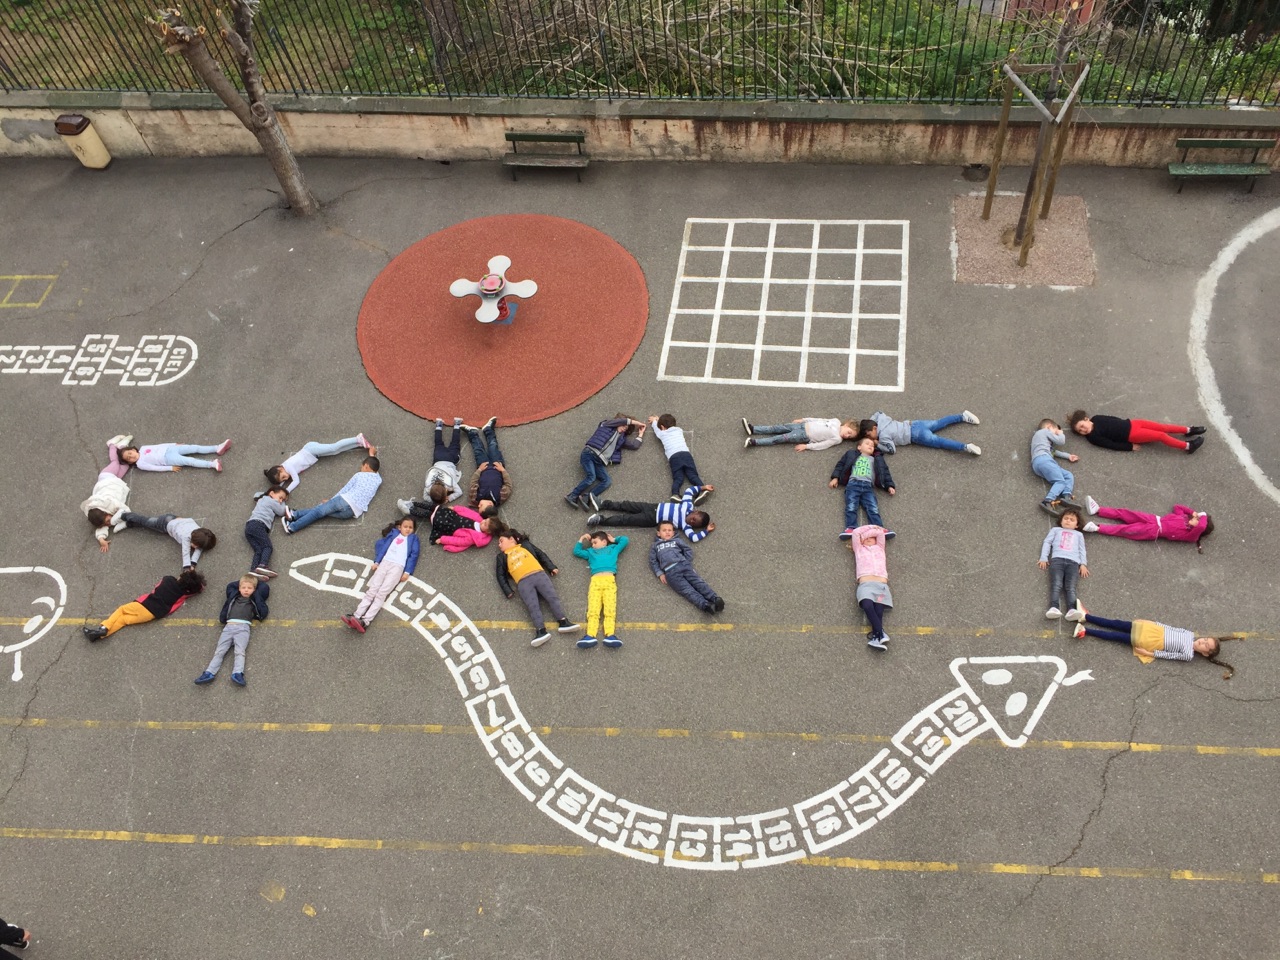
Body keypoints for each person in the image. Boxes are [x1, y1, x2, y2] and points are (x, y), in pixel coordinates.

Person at [1073, 611, 1236, 677]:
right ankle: (1087, 617)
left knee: (1116, 636)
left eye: (1205, 646)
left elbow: (1168, 655)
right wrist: (1151, 622)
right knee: (1117, 623)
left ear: (1205, 653)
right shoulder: (1190, 634)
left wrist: (1149, 653)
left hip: (1152, 642)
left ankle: (1086, 631)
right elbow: (1170, 627)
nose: (1202, 642)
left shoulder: (1188, 655)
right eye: (1205, 640)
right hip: (1154, 631)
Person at [495, 530, 581, 646]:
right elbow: (500, 575)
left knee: (552, 598)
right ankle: (541, 631)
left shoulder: (525, 545)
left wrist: (551, 566)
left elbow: (540, 554)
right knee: (533, 606)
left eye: (501, 541)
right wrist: (507, 590)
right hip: (523, 582)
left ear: (511, 539)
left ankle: (563, 622)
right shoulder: (501, 557)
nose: (499, 544)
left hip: (539, 575)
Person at [340, 518, 421, 633]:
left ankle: (366, 621)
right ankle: (356, 615)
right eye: (405, 526)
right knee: (372, 590)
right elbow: (384, 548)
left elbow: (414, 555)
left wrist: (407, 572)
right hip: (385, 563)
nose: (407, 529)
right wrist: (377, 561)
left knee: (381, 593)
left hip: (397, 567)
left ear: (413, 530)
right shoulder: (394, 534)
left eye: (410, 527)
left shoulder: (413, 539)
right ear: (400, 527)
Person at [82, 569, 206, 641]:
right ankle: (97, 636)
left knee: (121, 610)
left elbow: (156, 587)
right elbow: (199, 589)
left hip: (145, 604)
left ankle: (104, 627)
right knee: (124, 621)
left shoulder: (168, 579)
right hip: (153, 614)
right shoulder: (184, 593)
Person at [195, 575, 269, 687]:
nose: (246, 590)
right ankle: (209, 672)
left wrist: (254, 581)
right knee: (220, 651)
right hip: (228, 628)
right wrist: (244, 580)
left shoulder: (255, 599)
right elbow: (230, 585)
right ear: (239, 588)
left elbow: (264, 588)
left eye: (250, 588)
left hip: (243, 628)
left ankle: (238, 673)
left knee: (240, 652)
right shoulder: (233, 595)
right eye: (243, 587)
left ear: (254, 590)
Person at [565, 415, 646, 510]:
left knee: (607, 481)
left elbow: (634, 445)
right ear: (618, 423)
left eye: (626, 428)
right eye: (624, 426)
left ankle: (586, 497)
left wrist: (641, 434)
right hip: (590, 454)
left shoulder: (621, 438)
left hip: (600, 461)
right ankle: (572, 495)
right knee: (591, 477)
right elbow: (624, 420)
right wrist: (638, 423)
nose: (624, 428)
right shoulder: (607, 425)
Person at [282, 456, 381, 532]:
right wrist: (372, 456)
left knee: (318, 512)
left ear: (367, 466)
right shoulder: (378, 480)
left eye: (362, 467)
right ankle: (294, 515)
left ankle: (292, 527)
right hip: (352, 512)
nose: (361, 469)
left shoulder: (359, 475)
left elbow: (345, 489)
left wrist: (331, 500)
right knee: (321, 512)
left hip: (345, 501)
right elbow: (375, 469)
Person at [1082, 497, 1213, 552]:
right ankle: (1098, 510)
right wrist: (1194, 512)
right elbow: (1177, 506)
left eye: (1197, 519)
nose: (1196, 518)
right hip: (1153, 519)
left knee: (1125, 530)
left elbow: (1201, 526)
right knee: (1125, 513)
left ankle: (1097, 528)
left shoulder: (1191, 535)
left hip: (1152, 530)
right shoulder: (1184, 517)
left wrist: (1203, 515)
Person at [587, 486, 714, 542]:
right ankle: (602, 504)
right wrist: (703, 487)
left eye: (694, 524)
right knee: (626, 505)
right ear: (695, 512)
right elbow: (689, 491)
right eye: (694, 518)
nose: (691, 521)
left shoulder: (686, 527)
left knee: (625, 519)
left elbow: (694, 538)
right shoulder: (687, 505)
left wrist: (706, 531)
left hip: (651, 519)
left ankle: (601, 520)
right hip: (653, 506)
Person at [649, 521, 723, 613]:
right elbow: (653, 561)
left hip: (683, 565)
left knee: (698, 582)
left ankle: (714, 598)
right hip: (670, 573)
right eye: (664, 530)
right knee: (687, 590)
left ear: (673, 532)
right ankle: (705, 605)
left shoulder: (677, 540)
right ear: (658, 533)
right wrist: (660, 573)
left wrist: (686, 562)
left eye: (669, 530)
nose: (667, 532)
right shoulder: (655, 546)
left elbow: (688, 550)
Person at [831, 434, 896, 540]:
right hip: (853, 484)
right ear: (859, 447)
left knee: (873, 508)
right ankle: (851, 528)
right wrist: (835, 477)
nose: (871, 446)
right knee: (851, 506)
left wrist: (889, 485)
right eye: (867, 444)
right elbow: (841, 465)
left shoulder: (877, 459)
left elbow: (885, 472)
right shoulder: (851, 454)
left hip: (868, 487)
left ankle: (878, 528)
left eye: (872, 445)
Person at [263, 433, 375, 493]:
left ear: (280, 468)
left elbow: (296, 480)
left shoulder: (289, 467)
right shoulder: (284, 469)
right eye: (283, 479)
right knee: (336, 451)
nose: (286, 479)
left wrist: (286, 491)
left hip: (310, 450)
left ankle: (357, 439)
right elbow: (280, 481)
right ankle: (358, 444)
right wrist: (277, 488)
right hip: (313, 454)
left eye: (283, 476)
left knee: (333, 447)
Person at [572, 531, 629, 649]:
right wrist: (581, 538)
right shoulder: (590, 552)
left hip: (609, 581)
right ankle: (590, 635)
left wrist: (614, 539)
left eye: (595, 542)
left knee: (609, 609)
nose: (592, 545)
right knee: (593, 609)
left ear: (604, 542)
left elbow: (625, 540)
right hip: (595, 582)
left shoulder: (613, 548)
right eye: (592, 543)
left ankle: (610, 635)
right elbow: (576, 552)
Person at [1068, 410, 1205, 454]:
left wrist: (1124, 422)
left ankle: (1189, 429)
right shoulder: (1093, 437)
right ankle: (1188, 446)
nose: (1083, 430)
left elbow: (1112, 419)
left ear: (1086, 419)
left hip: (1133, 423)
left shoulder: (1096, 418)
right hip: (1132, 435)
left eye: (1081, 426)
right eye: (1080, 431)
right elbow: (1110, 444)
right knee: (1161, 436)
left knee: (1163, 427)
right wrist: (1129, 446)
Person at [115, 512, 216, 571]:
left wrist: (193, 563)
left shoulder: (199, 531)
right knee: (145, 521)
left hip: (173, 519)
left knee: (148, 525)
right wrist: (187, 568)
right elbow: (185, 553)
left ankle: (129, 524)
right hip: (164, 524)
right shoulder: (186, 537)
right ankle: (124, 515)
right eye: (195, 545)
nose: (196, 548)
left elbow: (199, 549)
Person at [82, 438, 133, 552]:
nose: (109, 523)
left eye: (107, 520)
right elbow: (101, 528)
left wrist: (117, 519)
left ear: (105, 512)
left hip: (107, 477)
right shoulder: (101, 518)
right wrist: (101, 539)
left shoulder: (110, 504)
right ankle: (120, 447)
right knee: (126, 465)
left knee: (115, 462)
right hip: (115, 481)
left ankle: (113, 445)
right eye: (106, 523)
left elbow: (125, 509)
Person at [1038, 507, 1089, 620]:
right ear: (1061, 521)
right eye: (1065, 518)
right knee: (1056, 584)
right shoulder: (1056, 530)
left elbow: (1082, 549)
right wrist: (1044, 557)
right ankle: (1053, 607)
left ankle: (1072, 609)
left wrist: (1083, 564)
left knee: (1070, 587)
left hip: (1073, 563)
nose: (1068, 521)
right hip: (1057, 560)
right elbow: (1047, 542)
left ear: (1077, 525)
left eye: (1072, 519)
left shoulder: (1079, 535)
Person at [848, 524, 893, 651]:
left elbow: (880, 534)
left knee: (879, 610)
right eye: (866, 538)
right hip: (866, 585)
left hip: (881, 587)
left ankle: (875, 638)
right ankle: (881, 632)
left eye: (871, 537)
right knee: (867, 605)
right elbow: (856, 532)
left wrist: (873, 530)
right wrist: (865, 534)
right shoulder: (859, 549)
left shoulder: (880, 547)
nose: (869, 538)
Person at [650, 414, 711, 502]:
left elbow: (656, 429)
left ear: (662, 427)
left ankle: (675, 494)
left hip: (674, 457)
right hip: (686, 454)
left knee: (678, 477)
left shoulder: (662, 434)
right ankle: (701, 489)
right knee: (692, 475)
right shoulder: (679, 430)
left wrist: (654, 421)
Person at [865, 410, 982, 455]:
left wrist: (877, 444)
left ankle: (965, 447)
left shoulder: (883, 436)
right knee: (938, 423)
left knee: (940, 442)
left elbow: (891, 450)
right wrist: (871, 421)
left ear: (874, 429)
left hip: (915, 436)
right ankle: (962, 416)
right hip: (915, 424)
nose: (871, 438)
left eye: (869, 435)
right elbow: (878, 412)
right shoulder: (881, 419)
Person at [463, 416, 513, 512]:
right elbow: (508, 485)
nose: (478, 506)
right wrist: (502, 470)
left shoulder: (475, 498)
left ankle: (472, 433)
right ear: (490, 504)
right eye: (481, 507)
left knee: (478, 449)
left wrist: (479, 470)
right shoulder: (500, 497)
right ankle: (488, 429)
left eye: (479, 508)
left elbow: (473, 483)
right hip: (497, 465)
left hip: (483, 466)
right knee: (493, 446)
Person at [1030, 418, 1080, 514]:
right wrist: (1060, 433)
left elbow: (1053, 451)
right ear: (1049, 427)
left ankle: (1066, 495)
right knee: (1059, 481)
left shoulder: (1040, 440)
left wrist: (1068, 456)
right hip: (1045, 460)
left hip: (1037, 464)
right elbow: (1061, 441)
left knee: (1068, 475)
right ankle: (1047, 501)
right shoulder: (1045, 431)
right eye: (1055, 432)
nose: (1055, 435)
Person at [245, 485, 289, 579]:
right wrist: (284, 503)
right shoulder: (272, 501)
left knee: (258, 550)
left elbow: (257, 494)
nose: (281, 501)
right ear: (272, 493)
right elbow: (281, 512)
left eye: (283, 500)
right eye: (281, 498)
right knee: (267, 546)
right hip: (259, 525)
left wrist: (269, 493)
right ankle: (263, 565)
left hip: (249, 526)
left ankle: (253, 570)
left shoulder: (262, 498)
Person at [742, 416, 857, 451]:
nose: (847, 436)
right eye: (849, 432)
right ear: (846, 425)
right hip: (802, 425)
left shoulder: (837, 438)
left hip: (803, 435)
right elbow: (819, 420)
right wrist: (804, 419)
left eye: (849, 437)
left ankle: (754, 442)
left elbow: (823, 444)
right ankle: (753, 429)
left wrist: (806, 446)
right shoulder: (836, 421)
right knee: (776, 427)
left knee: (778, 438)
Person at [427, 502, 506, 552]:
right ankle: (418, 506)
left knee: (431, 517)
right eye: (485, 520)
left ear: (488, 531)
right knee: (436, 509)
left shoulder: (473, 538)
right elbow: (467, 511)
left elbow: (457, 541)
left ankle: (420, 512)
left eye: (485, 524)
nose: (483, 521)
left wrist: (443, 539)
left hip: (448, 526)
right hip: (452, 517)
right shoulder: (479, 519)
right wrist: (455, 508)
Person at [422, 417, 466, 504]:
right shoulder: (428, 488)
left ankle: (457, 424)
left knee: (455, 443)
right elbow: (425, 497)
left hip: (451, 460)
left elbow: (459, 492)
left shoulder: (450, 484)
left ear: (446, 491)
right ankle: (438, 425)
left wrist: (449, 498)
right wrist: (432, 499)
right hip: (438, 459)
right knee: (438, 443)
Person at [124, 438, 232, 472]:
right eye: (128, 458)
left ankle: (217, 448)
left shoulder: (143, 448)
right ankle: (212, 464)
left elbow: (159, 445)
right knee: (190, 461)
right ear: (130, 462)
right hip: (167, 459)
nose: (131, 456)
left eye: (130, 453)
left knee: (194, 447)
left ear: (133, 449)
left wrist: (173, 444)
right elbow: (154, 468)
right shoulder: (140, 464)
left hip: (170, 449)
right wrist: (170, 468)